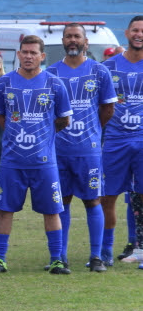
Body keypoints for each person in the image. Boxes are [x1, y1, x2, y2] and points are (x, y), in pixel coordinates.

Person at [0, 35, 72, 275]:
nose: (28, 56)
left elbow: (64, 119)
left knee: (52, 209)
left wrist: (43, 134)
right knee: (5, 209)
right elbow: (0, 116)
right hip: (12, 161)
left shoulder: (54, 84)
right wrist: (18, 133)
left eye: (33, 53)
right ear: (19, 54)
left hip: (44, 161)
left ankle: (57, 259)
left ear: (42, 56)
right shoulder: (4, 83)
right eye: (24, 52)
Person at [46, 23, 115, 272]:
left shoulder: (99, 71)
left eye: (77, 36)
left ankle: (96, 257)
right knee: (60, 202)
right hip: (59, 150)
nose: (72, 40)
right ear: (63, 41)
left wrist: (92, 130)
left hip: (89, 151)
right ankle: (60, 256)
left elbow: (107, 109)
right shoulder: (51, 73)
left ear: (85, 41)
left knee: (93, 201)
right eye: (68, 36)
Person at [101, 16, 143, 266]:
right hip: (115, 140)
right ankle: (104, 251)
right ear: (126, 33)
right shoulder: (108, 67)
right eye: (136, 30)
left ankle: (140, 247)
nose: (139, 34)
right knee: (108, 196)